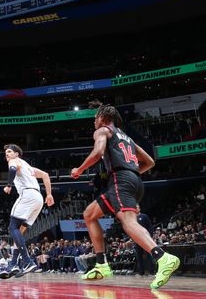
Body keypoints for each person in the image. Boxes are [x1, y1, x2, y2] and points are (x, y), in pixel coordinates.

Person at [71, 101, 180, 290]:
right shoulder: (127, 138)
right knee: (89, 214)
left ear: (104, 118)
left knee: (128, 223)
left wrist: (79, 170)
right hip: (132, 180)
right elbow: (150, 161)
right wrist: (133, 172)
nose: (94, 122)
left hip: (120, 180)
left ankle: (163, 257)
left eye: (95, 118)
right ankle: (101, 263)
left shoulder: (103, 131)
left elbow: (97, 153)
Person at [0, 144, 54, 279]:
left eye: (9, 152)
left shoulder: (14, 161)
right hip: (39, 199)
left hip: (27, 195)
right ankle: (13, 264)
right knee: (20, 232)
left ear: (17, 154)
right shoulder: (28, 167)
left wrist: (9, 185)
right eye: (6, 153)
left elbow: (11, 169)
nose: (7, 154)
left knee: (12, 227)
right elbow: (45, 175)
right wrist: (49, 194)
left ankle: (27, 262)